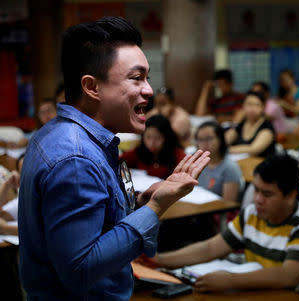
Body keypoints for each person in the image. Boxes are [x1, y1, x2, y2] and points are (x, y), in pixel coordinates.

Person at [18, 16, 210, 301]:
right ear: (92, 87)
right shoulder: (75, 158)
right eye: (136, 78)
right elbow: (80, 270)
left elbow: (97, 232)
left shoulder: (61, 134)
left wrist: (139, 207)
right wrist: (155, 208)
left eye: (147, 77)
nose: (148, 90)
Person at [152, 154, 299, 292]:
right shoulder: (251, 214)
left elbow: (288, 276)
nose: (258, 199)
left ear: (291, 195)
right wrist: (159, 260)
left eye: (267, 194)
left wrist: (229, 280)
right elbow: (210, 248)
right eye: (256, 190)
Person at [120, 115, 186, 179]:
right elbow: (117, 161)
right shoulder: (139, 151)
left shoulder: (177, 154)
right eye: (148, 137)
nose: (152, 143)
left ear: (166, 138)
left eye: (157, 138)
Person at [196, 121, 243, 203]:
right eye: (200, 139)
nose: (204, 143)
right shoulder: (195, 161)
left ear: (220, 139)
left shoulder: (230, 168)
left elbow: (228, 204)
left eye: (209, 139)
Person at [225, 91, 276, 157]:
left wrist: (225, 150)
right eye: (249, 104)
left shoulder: (267, 127)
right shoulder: (241, 124)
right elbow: (225, 140)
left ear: (263, 108)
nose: (252, 109)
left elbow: (254, 149)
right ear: (243, 106)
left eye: (257, 105)